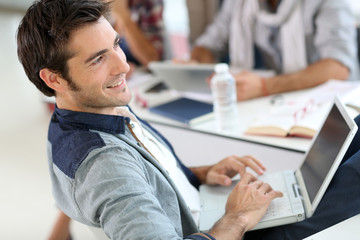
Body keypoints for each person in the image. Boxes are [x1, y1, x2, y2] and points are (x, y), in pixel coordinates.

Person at [17, 0, 360, 239]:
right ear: (54, 79)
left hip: (207, 210)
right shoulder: (104, 167)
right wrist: (237, 218)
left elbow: (144, 177)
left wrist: (197, 175)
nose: (124, 66)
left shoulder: (87, 112)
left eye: (116, 45)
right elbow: (119, 179)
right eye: (97, 60)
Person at [190, 0, 359, 101]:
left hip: (332, 103)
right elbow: (209, 43)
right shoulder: (239, 3)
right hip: (279, 101)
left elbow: (338, 68)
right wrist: (194, 64)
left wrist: (265, 87)